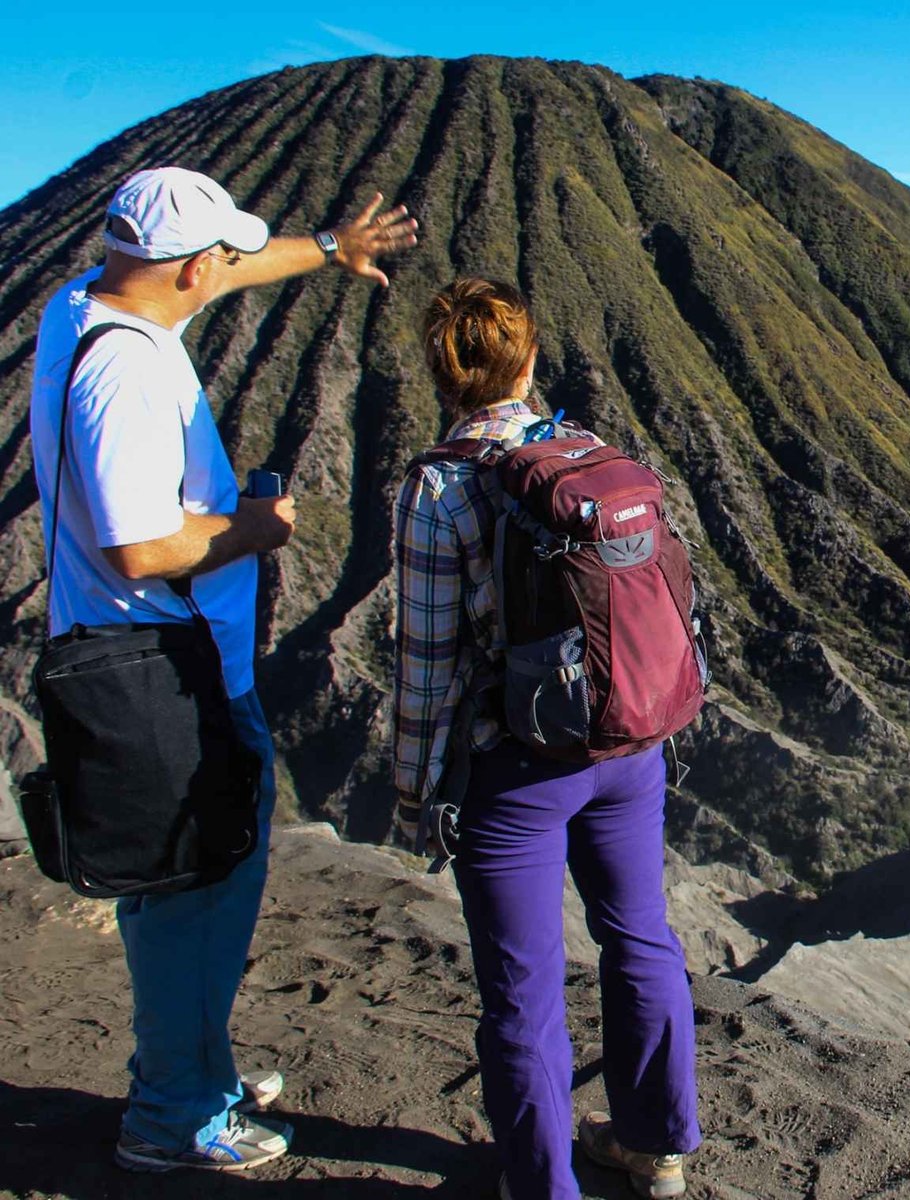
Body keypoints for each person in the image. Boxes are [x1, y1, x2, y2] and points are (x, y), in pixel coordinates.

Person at [30, 166, 416, 1172]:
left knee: (193, 879)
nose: (230, 272)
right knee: (193, 888)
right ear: (192, 266)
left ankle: (194, 1068)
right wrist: (256, 528)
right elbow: (139, 545)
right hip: (162, 667)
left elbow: (230, 272)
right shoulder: (126, 372)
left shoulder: (85, 305)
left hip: (150, 660)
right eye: (221, 260)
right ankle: (175, 1116)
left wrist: (330, 250)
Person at [390, 278, 701, 1200]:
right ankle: (657, 1148)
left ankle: (542, 1185)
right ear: (530, 362)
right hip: (627, 746)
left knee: (522, 995)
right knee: (641, 939)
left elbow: (427, 662)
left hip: (517, 771)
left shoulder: (439, 487)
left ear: (446, 375)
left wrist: (416, 791)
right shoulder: (594, 454)